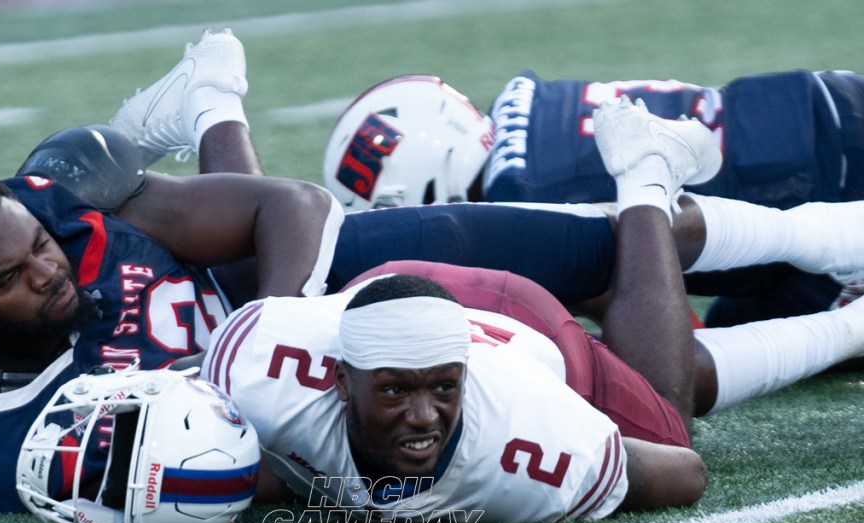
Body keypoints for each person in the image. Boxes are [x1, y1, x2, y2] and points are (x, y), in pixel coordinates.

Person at [204, 98, 864, 521]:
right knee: (624, 268)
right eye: (396, 391)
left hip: (521, 324)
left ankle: (649, 177)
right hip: (396, 289)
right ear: (338, 378)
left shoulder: (525, 446)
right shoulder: (250, 361)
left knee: (667, 421)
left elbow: (683, 476)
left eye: (440, 389)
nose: (423, 416)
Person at [0, 29, 343, 514]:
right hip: (226, 369)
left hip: (255, 283)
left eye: (41, 247)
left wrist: (259, 341)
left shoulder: (55, 226)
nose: (45, 273)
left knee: (85, 169)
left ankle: (208, 101)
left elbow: (291, 205)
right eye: (10, 280)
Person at [322, 70, 864, 327]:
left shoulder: (521, 196)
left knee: (737, 336)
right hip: (814, 99)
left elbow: (672, 331)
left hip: (809, 190)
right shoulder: (526, 98)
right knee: (738, 319)